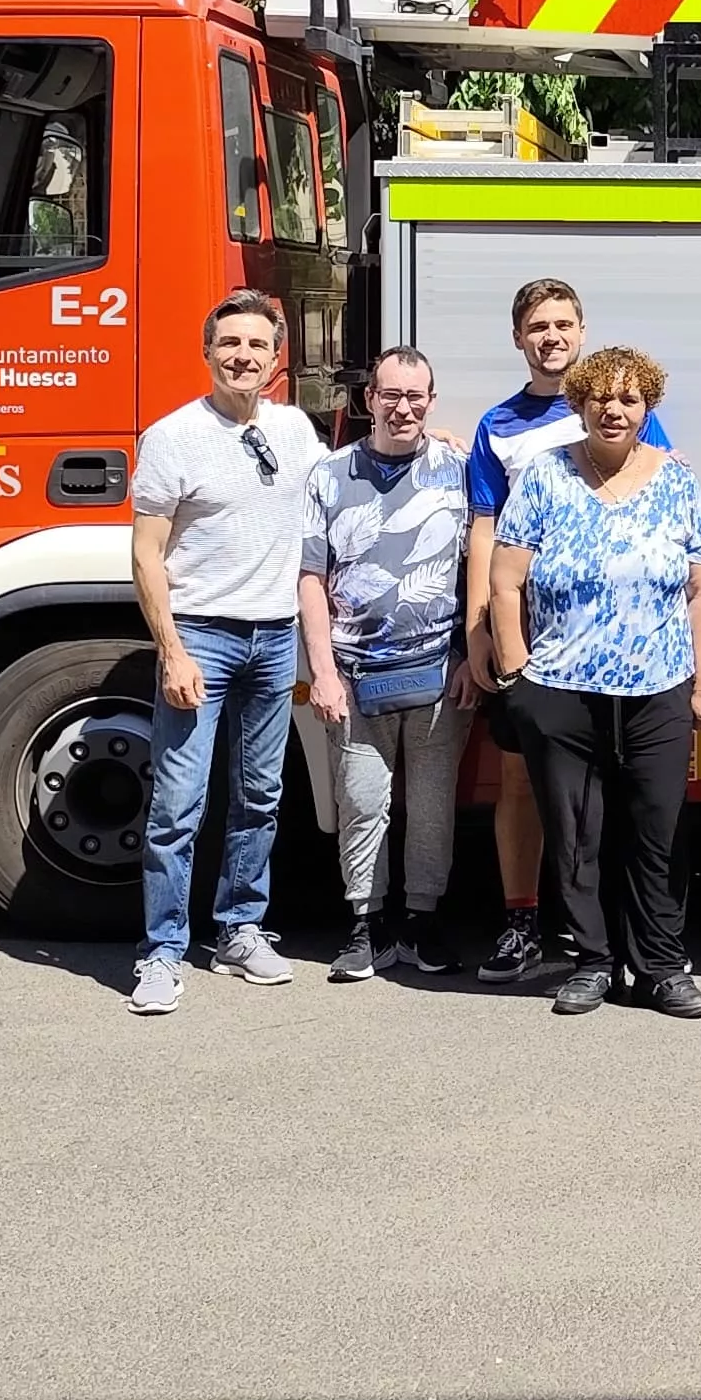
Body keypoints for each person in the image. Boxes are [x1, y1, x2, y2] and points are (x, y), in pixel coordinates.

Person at [489, 345, 701, 1019]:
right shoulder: (543, 477)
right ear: (580, 403)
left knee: (657, 831)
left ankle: (660, 967)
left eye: (629, 399)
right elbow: (505, 582)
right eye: (601, 398)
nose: (614, 410)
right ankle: (592, 961)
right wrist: (515, 673)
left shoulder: (676, 482)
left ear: (647, 407)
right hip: (560, 688)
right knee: (576, 833)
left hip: (657, 688)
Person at [125, 291, 328, 1015]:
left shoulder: (295, 429)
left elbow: (341, 492)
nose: (243, 356)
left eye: (256, 346)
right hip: (203, 635)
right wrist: (172, 651)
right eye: (229, 343)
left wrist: (438, 453)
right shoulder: (173, 436)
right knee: (179, 804)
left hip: (274, 637)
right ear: (206, 351)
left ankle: (240, 929)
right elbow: (146, 556)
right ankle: (161, 953)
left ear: (277, 360)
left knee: (260, 797)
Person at [463, 277, 670, 987]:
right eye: (537, 326)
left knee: (604, 793)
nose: (551, 336)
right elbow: (484, 530)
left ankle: (609, 938)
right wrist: (479, 629)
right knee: (519, 781)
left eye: (563, 324)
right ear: (518, 338)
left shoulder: (623, 406)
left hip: (614, 651)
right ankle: (522, 923)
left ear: (581, 333)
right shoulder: (497, 426)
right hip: (533, 641)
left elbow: (663, 495)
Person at [296, 344, 475, 983]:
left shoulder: (459, 469)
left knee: (432, 807)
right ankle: (363, 928)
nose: (403, 408)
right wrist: (322, 670)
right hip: (354, 677)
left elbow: (476, 569)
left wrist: (469, 657)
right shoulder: (329, 475)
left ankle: (422, 926)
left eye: (416, 396)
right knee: (362, 801)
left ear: (431, 400)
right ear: (369, 399)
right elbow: (311, 578)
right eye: (390, 395)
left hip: (439, 675)